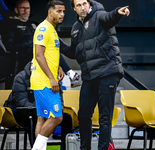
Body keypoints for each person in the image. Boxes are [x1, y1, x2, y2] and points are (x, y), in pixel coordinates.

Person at [59, 0, 130, 149]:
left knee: (105, 117)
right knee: (83, 115)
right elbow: (74, 52)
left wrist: (118, 12)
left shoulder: (99, 15)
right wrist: (57, 43)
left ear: (89, 3)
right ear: (74, 8)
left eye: (84, 3)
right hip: (89, 76)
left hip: (108, 71)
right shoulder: (76, 28)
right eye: (78, 5)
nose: (82, 7)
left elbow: (110, 17)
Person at [1, 0, 82, 89]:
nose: (26, 11)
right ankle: (71, 74)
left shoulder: (33, 24)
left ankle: (71, 74)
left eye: (28, 8)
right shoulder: (10, 25)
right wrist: (33, 42)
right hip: (23, 59)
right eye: (23, 8)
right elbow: (9, 47)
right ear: (16, 10)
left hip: (39, 58)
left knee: (51, 46)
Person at [3, 61, 73, 149]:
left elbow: (60, 102)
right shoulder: (21, 78)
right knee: (33, 118)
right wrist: (42, 110)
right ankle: (36, 147)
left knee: (67, 118)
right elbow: (22, 102)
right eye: (33, 66)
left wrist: (53, 112)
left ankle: (66, 148)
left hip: (45, 111)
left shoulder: (53, 79)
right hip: (21, 112)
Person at [30, 1, 66, 150]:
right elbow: (38, 55)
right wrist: (52, 78)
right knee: (57, 117)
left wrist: (57, 66)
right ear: (50, 12)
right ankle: (36, 149)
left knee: (42, 118)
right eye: (58, 11)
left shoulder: (52, 29)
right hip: (45, 81)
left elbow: (46, 53)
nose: (62, 14)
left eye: (63, 11)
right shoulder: (43, 28)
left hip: (44, 80)